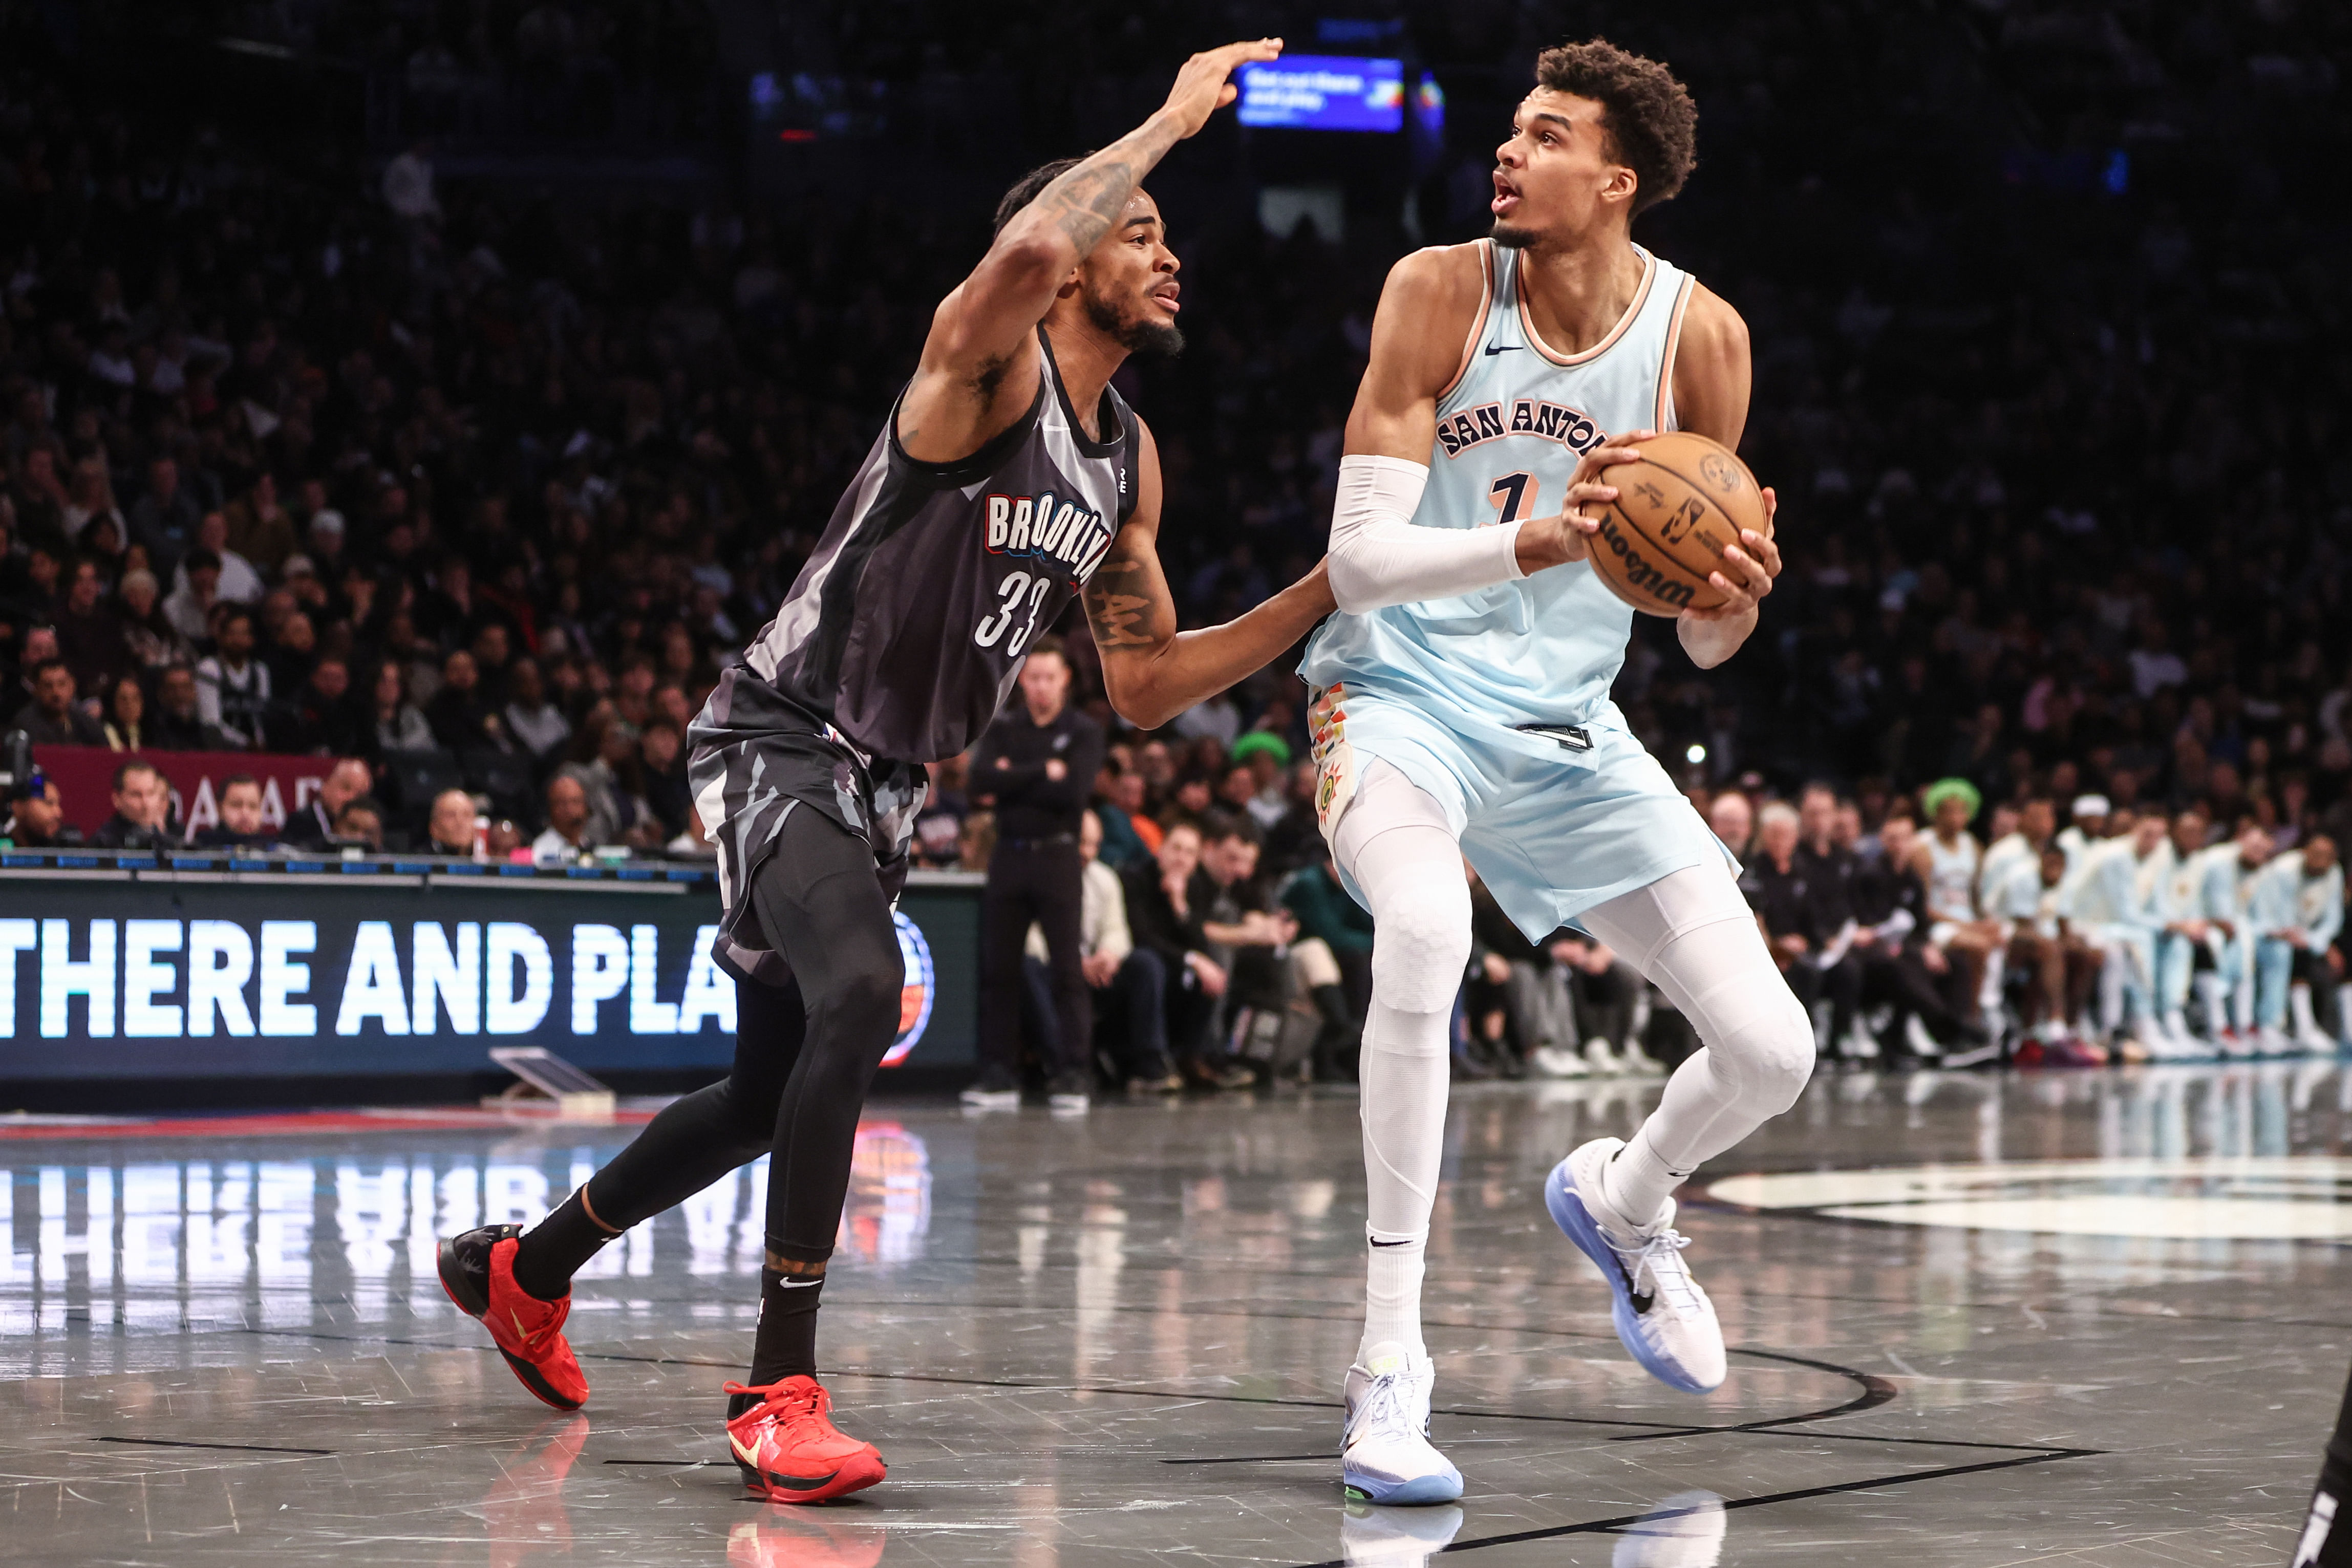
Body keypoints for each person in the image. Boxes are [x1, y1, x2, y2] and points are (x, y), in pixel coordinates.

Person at [434, 42, 1335, 1511]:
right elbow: (1038, 235)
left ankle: (523, 1271)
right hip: (779, 730)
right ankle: (775, 1386)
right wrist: (1176, 115)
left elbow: (1153, 681)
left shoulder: (1128, 462)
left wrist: (1321, 589)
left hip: (888, 785)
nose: (1172, 253)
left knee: (758, 1091)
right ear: (1065, 257)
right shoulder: (987, 366)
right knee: (861, 995)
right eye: (1145, 229)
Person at [1293, 39, 1802, 1505]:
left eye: (1545, 135)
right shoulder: (1438, 290)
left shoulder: (1703, 339)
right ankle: (1390, 1362)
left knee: (1775, 1049)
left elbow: (1698, 632)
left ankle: (1625, 1198)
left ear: (1617, 180)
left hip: (1568, 724)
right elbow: (1358, 563)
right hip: (1394, 692)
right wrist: (1543, 539)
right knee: (1426, 927)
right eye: (1511, 132)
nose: (1507, 153)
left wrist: (1729, 597)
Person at [965, 638, 1108, 1109]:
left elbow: (1073, 794)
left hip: (1058, 857)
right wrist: (1042, 772)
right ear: (1022, 679)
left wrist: (1014, 778)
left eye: (1049, 677)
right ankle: (997, 1073)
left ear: (1065, 678)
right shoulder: (1005, 726)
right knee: (998, 969)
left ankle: (1074, 1073)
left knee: (1066, 967)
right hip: (1008, 854)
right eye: (1033, 678)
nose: (1041, 687)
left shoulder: (1083, 731)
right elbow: (979, 781)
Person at [2249, 834, 2342, 1052]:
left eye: (2326, 857)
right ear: (2304, 852)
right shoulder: (2283, 870)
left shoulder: (2334, 873)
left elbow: (2332, 919)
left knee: (2317, 953)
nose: (2319, 860)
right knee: (2286, 953)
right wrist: (2299, 937)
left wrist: (2316, 941)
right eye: (2315, 854)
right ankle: (2275, 1026)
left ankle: (2309, 1028)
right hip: (2268, 932)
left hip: (2304, 937)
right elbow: (2277, 914)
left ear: (2333, 860)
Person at [194, 607, 271, 750]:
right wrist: (246, 743)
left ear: (252, 639)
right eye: (232, 634)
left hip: (257, 750)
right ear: (221, 637)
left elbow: (263, 714)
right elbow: (211, 722)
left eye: (244, 634)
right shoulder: (209, 668)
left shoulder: (260, 671)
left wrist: (261, 743)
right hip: (221, 749)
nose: (238, 640)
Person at [12, 658, 105, 746]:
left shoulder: (87, 724)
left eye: (62, 684)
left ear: (72, 686)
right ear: (37, 689)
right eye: (48, 686)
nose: (56, 693)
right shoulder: (25, 725)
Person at [286, 757, 373, 849]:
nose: (351, 799)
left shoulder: (367, 834)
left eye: (359, 795)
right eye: (346, 788)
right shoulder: (299, 824)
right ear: (325, 784)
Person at [90, 758, 174, 849]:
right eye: (136, 795)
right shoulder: (104, 843)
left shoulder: (171, 842)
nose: (146, 803)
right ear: (117, 799)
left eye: (151, 793)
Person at [193, 773, 275, 849]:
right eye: (236, 805)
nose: (245, 813)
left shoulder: (274, 849)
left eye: (253, 806)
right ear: (219, 809)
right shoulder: (202, 847)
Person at [531, 773, 592, 863]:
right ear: (551, 808)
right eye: (563, 803)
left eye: (576, 802)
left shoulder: (587, 845)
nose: (571, 809)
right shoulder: (541, 850)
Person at [427, 787, 481, 857]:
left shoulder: (489, 862)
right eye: (451, 815)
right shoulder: (419, 863)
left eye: (467, 815)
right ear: (434, 828)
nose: (460, 822)